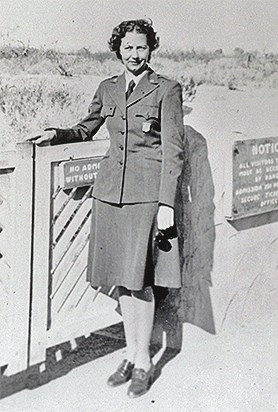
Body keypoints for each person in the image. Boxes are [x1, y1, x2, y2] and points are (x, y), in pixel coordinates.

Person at [28, 19, 184, 398]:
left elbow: (174, 151)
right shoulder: (107, 88)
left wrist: (166, 203)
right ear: (118, 50)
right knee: (121, 280)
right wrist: (58, 134)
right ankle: (131, 354)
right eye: (128, 48)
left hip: (146, 197)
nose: (135, 54)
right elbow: (87, 129)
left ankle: (144, 361)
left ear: (151, 50)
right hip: (110, 194)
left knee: (140, 281)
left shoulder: (167, 89)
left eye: (141, 48)